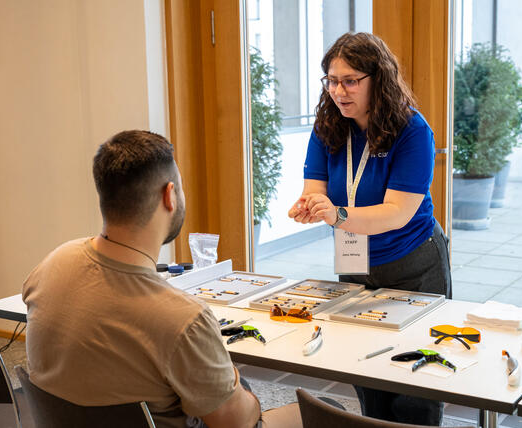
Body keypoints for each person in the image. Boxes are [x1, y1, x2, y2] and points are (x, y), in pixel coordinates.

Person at [23, 130, 301, 428]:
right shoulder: (185, 320)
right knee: (321, 410)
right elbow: (236, 423)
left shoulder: (52, 264)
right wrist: (234, 379)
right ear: (169, 196)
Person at [288, 33, 452, 425]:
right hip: (356, 263)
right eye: (331, 80)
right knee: (365, 370)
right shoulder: (329, 125)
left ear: (377, 80)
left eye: (349, 80)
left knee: (416, 380)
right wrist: (311, 205)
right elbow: (316, 189)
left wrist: (337, 215)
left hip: (414, 264)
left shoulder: (412, 130)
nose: (338, 91)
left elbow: (398, 212)